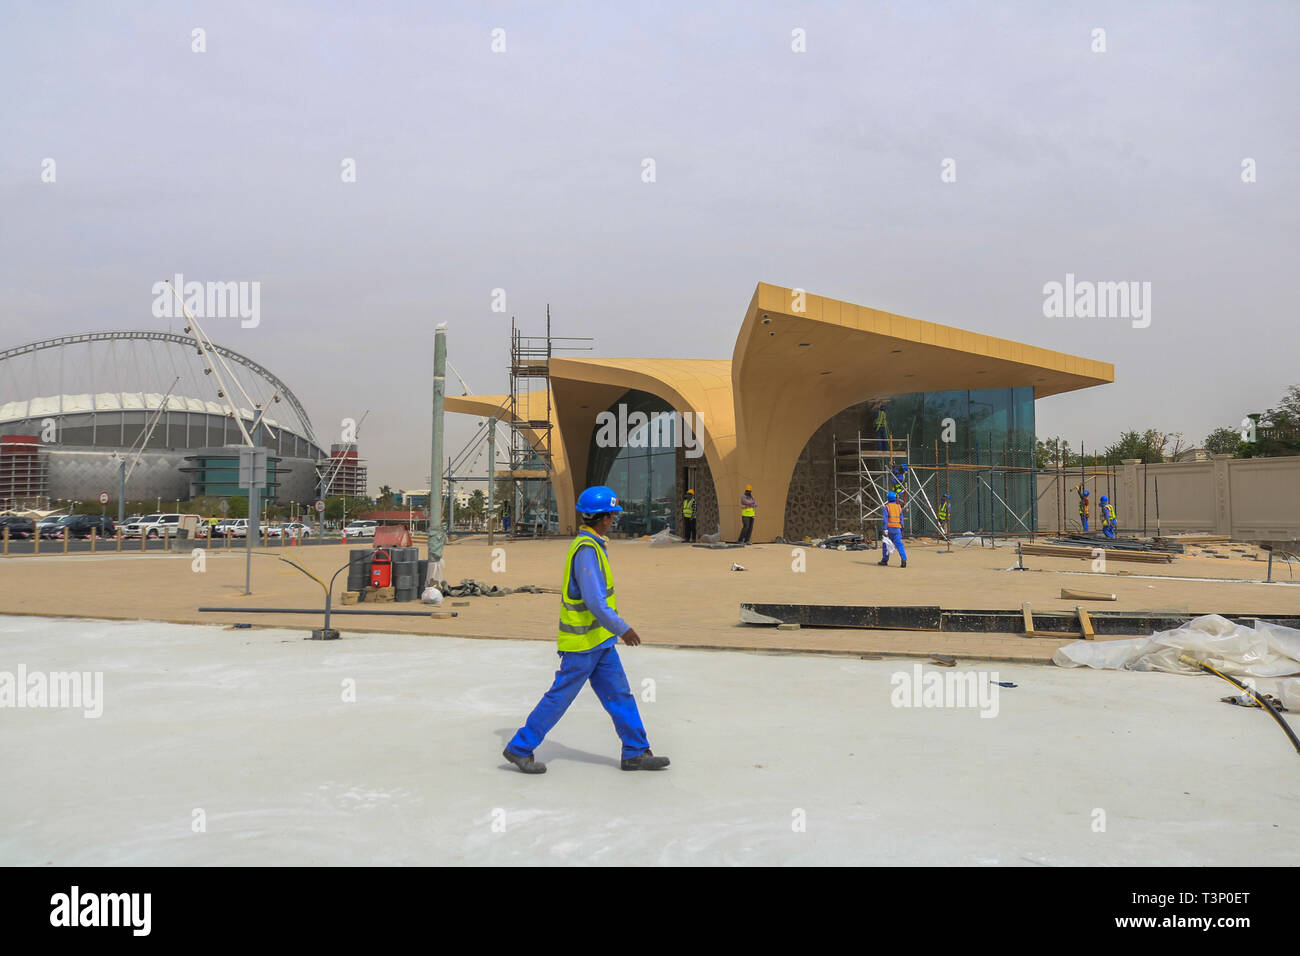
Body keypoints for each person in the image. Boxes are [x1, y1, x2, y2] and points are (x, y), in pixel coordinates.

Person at [502, 486, 669, 775]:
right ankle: (520, 747)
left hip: (600, 642)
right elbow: (594, 601)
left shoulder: (593, 545)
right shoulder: (587, 551)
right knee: (560, 697)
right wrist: (623, 629)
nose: (614, 520)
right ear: (603, 518)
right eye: (612, 516)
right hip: (581, 644)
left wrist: (612, 632)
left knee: (620, 695)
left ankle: (636, 751)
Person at [878, 491, 907, 568]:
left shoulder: (887, 507)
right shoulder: (899, 507)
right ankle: (904, 560)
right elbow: (901, 519)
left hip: (889, 529)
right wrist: (902, 528)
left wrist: (885, 529)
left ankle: (884, 560)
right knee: (900, 545)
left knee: (886, 545)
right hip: (897, 529)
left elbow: (885, 520)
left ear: (888, 498)